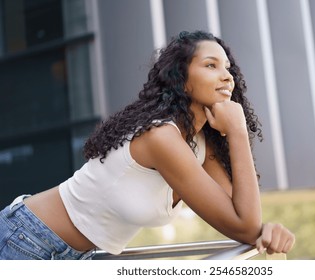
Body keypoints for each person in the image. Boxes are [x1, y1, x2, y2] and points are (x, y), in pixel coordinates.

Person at [0, 30, 294, 260]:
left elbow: (242, 218)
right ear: (182, 80)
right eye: (210, 65)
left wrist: (264, 230)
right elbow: (243, 224)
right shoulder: (162, 137)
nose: (227, 75)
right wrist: (238, 130)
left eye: (228, 67)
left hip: (76, 256)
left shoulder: (203, 144)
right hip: (26, 237)